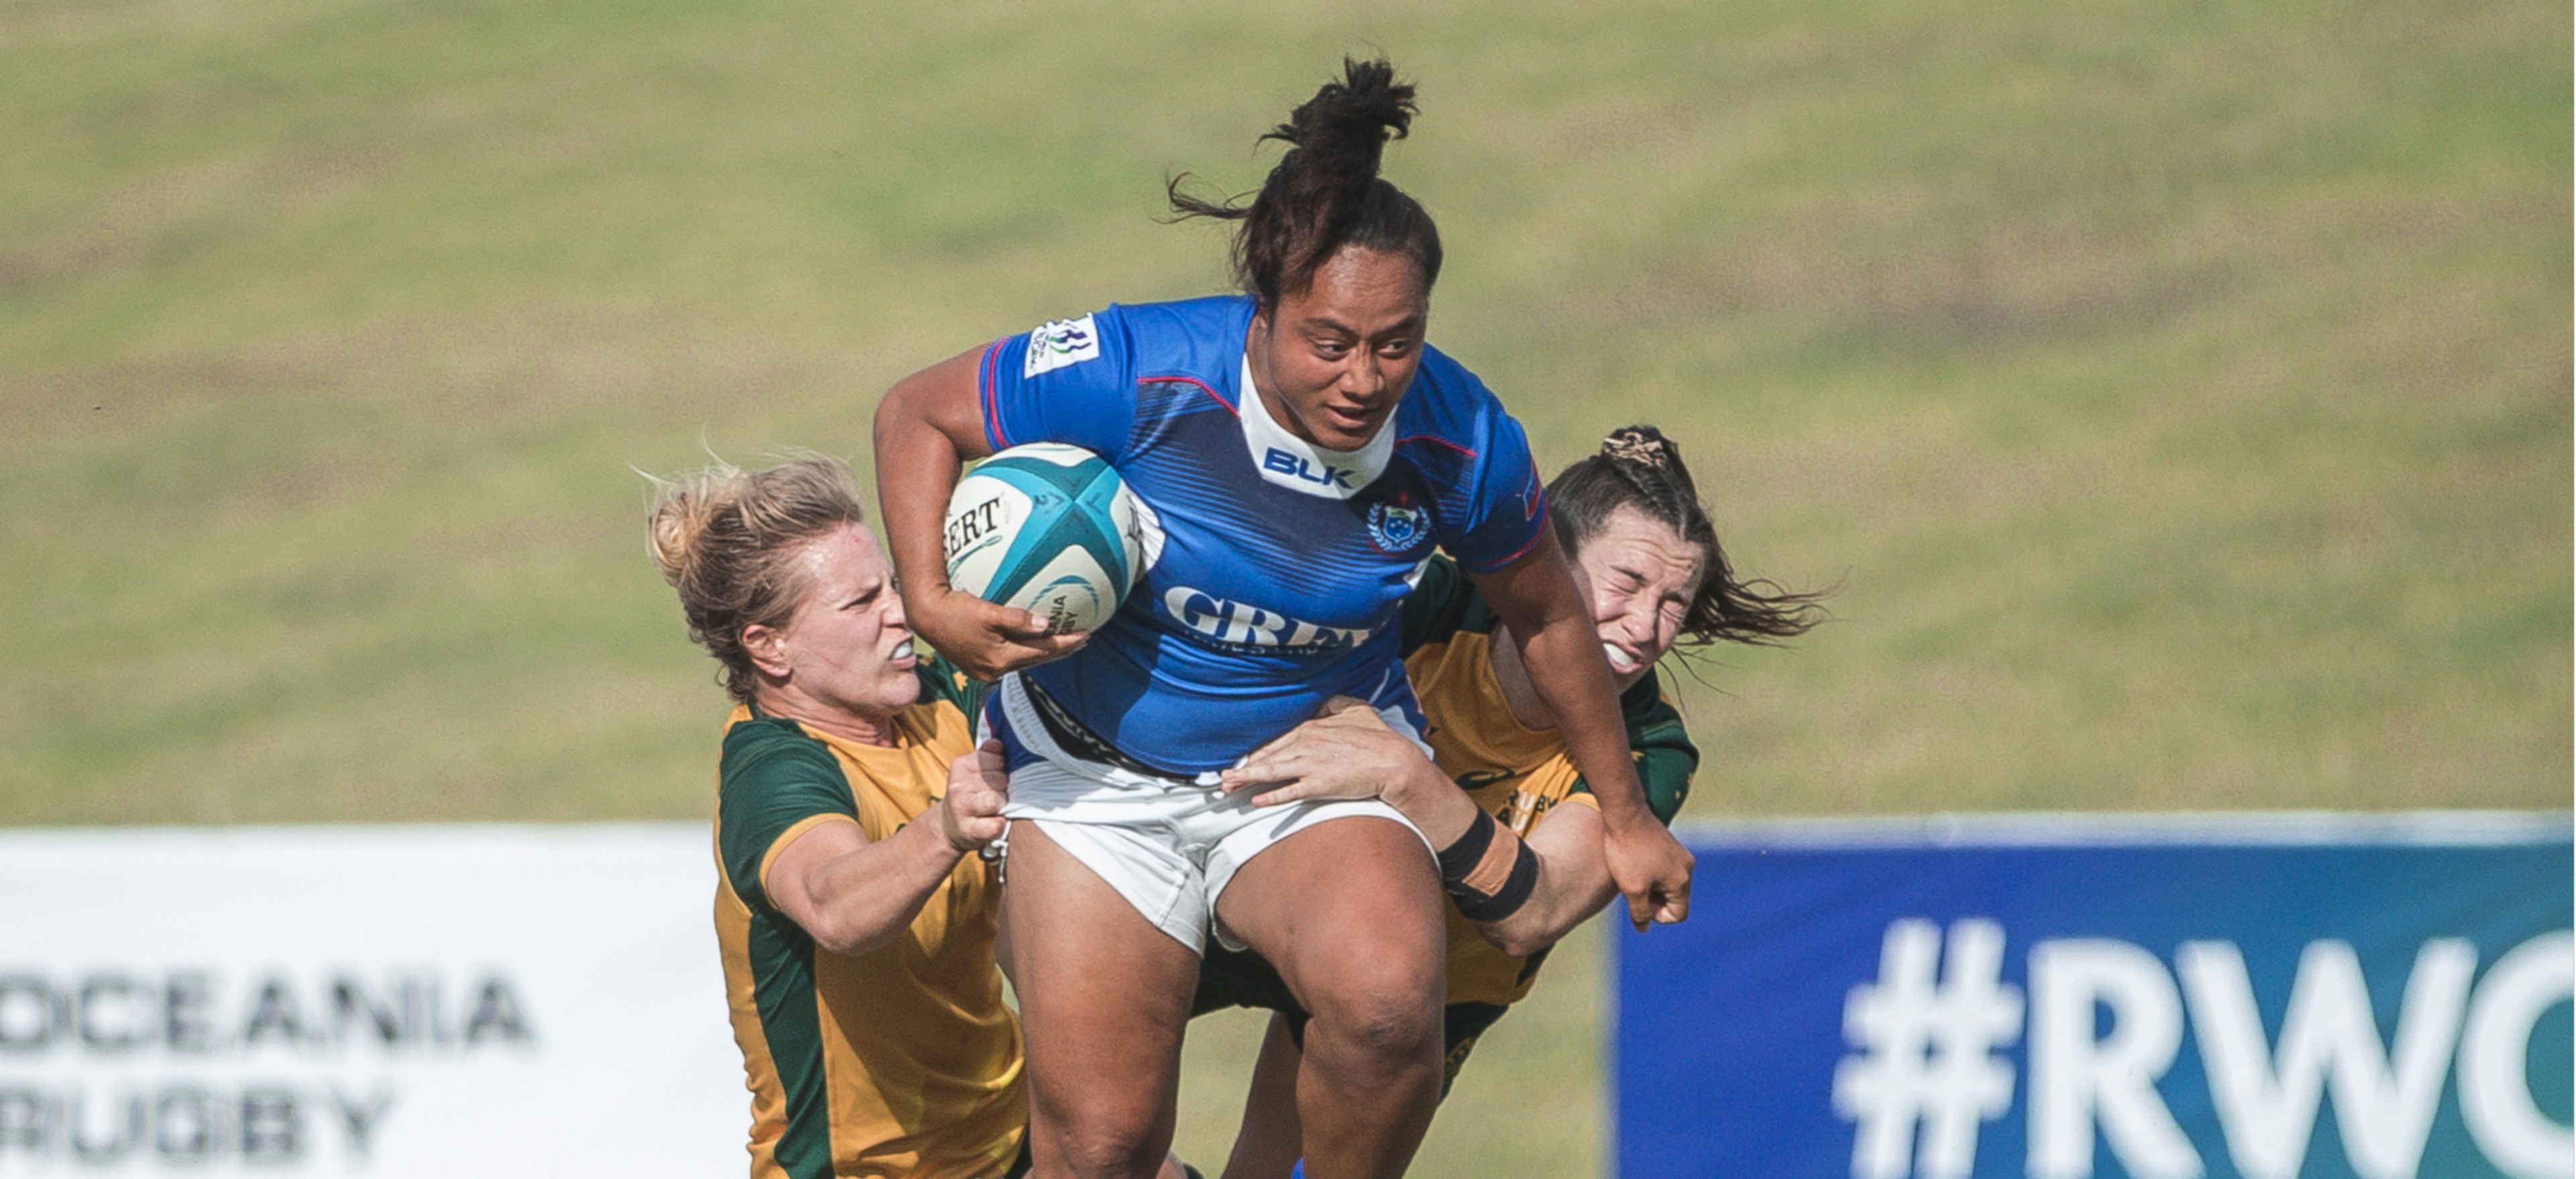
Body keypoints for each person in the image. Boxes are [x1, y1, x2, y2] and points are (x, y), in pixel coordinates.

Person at [871, 59, 1695, 1179]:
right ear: (1265, 308)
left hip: (1306, 773)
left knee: (1392, 1011)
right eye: (1331, 341)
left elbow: (1551, 615)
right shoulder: (1142, 367)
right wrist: (931, 599)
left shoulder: (1462, 436)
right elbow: (917, 411)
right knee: (1104, 1144)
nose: (1364, 377)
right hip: (1096, 776)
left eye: (1395, 342)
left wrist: (1630, 815)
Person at [1193, 426, 1829, 1178]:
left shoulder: (1651, 747)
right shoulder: (1432, 603)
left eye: (1674, 605)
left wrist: (1406, 774)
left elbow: (1533, 912)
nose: (1648, 629)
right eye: (1626, 583)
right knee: (1074, 1125)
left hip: (1429, 992)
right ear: (1549, 563)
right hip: (1274, 891)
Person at [647, 454, 1027, 1179]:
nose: (901, 610)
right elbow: (834, 907)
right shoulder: (775, 771)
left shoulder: (940, 696)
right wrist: (946, 828)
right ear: (770, 647)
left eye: (891, 584)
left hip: (1013, 1139)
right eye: (860, 603)